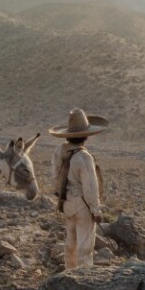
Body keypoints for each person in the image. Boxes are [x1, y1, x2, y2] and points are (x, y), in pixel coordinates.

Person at [49, 108, 108, 269]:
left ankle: (69, 273)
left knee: (70, 242)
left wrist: (61, 195)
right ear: (87, 135)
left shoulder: (59, 151)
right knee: (85, 245)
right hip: (83, 205)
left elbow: (54, 177)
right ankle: (84, 278)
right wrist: (96, 210)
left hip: (67, 202)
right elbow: (90, 187)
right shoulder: (84, 157)